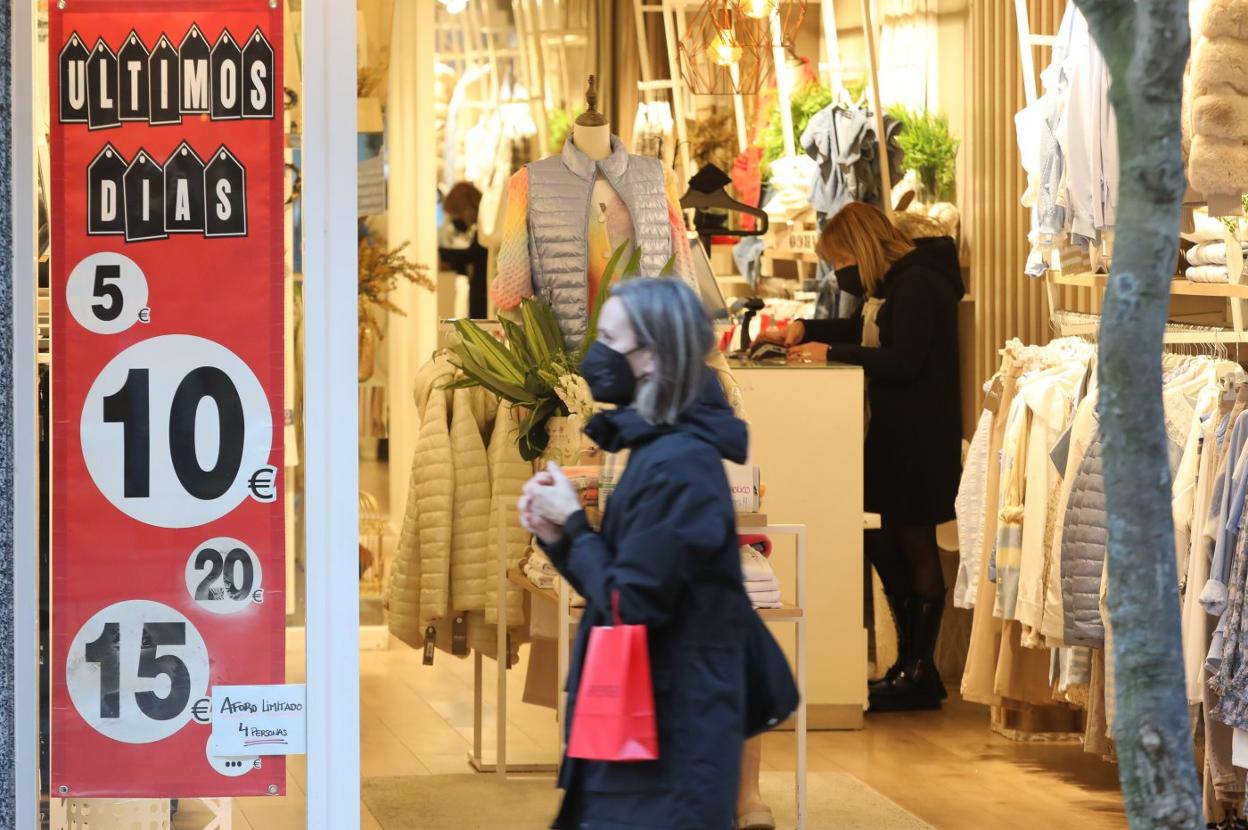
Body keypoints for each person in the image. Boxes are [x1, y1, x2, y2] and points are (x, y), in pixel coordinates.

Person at [520, 277, 756, 829]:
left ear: (652, 354)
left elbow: (630, 601)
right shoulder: (660, 449)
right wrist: (560, 537)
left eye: (610, 338)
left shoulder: (677, 464)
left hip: (664, 729)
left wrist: (574, 528)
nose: (597, 355)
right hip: (646, 718)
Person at [757, 203, 964, 712]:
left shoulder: (916, 283)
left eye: (838, 260)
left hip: (919, 435)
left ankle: (919, 669)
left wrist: (832, 353)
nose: (837, 273)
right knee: (885, 536)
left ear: (860, 249)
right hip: (897, 432)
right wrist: (810, 329)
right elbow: (874, 335)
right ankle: (912, 665)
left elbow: (904, 359)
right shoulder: (896, 285)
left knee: (911, 539)